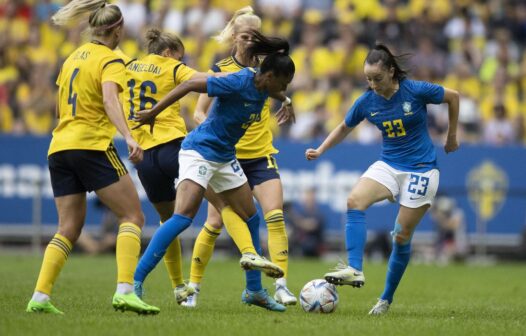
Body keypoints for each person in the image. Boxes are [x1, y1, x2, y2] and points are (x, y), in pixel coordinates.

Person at [132, 30, 296, 312]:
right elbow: (190, 85)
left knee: (251, 217)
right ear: (268, 77)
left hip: (224, 156)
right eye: (283, 84)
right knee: (183, 218)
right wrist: (153, 112)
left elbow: (277, 91)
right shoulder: (237, 81)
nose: (284, 89)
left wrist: (287, 100)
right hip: (199, 151)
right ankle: (135, 281)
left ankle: (254, 290)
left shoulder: (264, 85)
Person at [26, 0, 159, 315]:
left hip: (59, 146)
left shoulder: (73, 57)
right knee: (133, 216)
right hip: (91, 144)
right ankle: (125, 291)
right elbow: (109, 97)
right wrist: (127, 135)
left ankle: (40, 297)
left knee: (68, 228)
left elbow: (61, 107)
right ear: (116, 29)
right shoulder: (110, 60)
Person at [306, 44, 460, 315]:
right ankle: (354, 268)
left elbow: (454, 96)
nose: (372, 84)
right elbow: (344, 127)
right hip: (389, 164)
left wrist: (451, 136)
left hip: (422, 169)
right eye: (368, 79)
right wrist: (320, 149)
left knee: (401, 237)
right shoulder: (367, 101)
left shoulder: (416, 90)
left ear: (391, 72)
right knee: (354, 200)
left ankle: (385, 299)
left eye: (377, 78)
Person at [181, 6, 297, 310]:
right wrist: (204, 128)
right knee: (214, 222)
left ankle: (281, 284)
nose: (250, 41)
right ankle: (193, 288)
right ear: (234, 36)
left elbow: (278, 87)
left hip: (259, 154)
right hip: (225, 157)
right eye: (245, 35)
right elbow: (198, 110)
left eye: (255, 35)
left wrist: (287, 99)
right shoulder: (220, 68)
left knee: (274, 214)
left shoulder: (265, 69)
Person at [122, 28, 212, 305]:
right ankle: (250, 264)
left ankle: (178, 286)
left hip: (144, 155)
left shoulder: (128, 67)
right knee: (222, 198)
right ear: (169, 52)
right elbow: (205, 81)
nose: (182, 62)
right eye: (180, 57)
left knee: (167, 220)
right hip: (173, 147)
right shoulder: (171, 67)